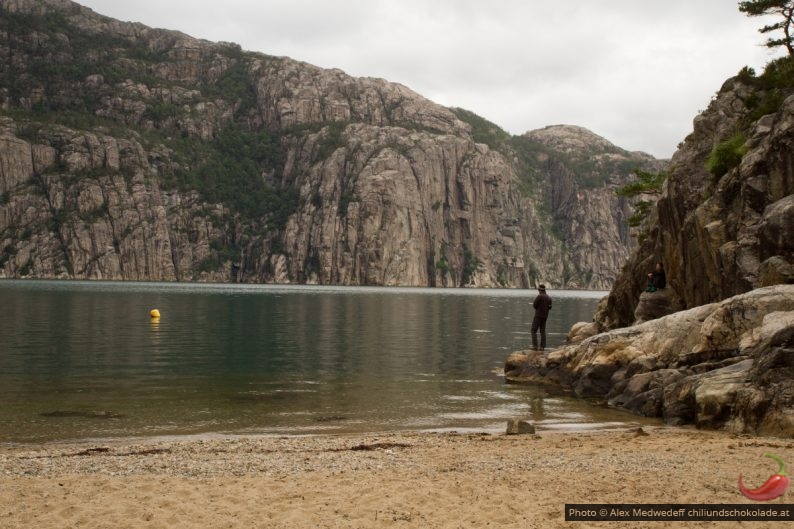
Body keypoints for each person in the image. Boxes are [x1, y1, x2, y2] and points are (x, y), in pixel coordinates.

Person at [531, 284, 552, 351]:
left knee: (533, 330)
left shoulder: (539, 296)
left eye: (538, 289)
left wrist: (539, 309)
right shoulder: (549, 298)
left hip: (538, 316)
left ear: (539, 290)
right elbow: (550, 307)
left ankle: (535, 346)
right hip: (545, 316)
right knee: (542, 331)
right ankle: (542, 347)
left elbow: (534, 305)